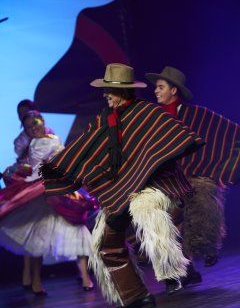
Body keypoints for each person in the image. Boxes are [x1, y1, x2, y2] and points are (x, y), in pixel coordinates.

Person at [40, 63, 204, 307]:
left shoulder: (147, 113)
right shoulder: (103, 122)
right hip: (122, 192)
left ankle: (173, 270)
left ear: (125, 91)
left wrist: (152, 164)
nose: (106, 95)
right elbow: (83, 148)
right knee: (103, 241)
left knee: (145, 209)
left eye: (111, 90)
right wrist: (57, 166)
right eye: (105, 90)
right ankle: (135, 296)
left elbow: (174, 136)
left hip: (154, 187)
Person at [145, 66, 240, 289]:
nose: (156, 92)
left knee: (198, 199)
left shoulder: (196, 115)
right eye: (156, 88)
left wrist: (224, 170)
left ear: (174, 90)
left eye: (160, 87)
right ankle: (186, 270)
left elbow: (230, 133)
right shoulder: (154, 118)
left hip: (189, 178)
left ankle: (204, 248)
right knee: (160, 221)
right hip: (163, 180)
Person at [0, 110, 95, 295]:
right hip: (39, 189)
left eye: (35, 123)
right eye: (28, 127)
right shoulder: (31, 144)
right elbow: (35, 166)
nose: (33, 128)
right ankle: (35, 280)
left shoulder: (54, 138)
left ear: (42, 121)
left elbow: (62, 160)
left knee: (76, 229)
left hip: (58, 188)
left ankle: (85, 277)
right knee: (38, 237)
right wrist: (21, 169)